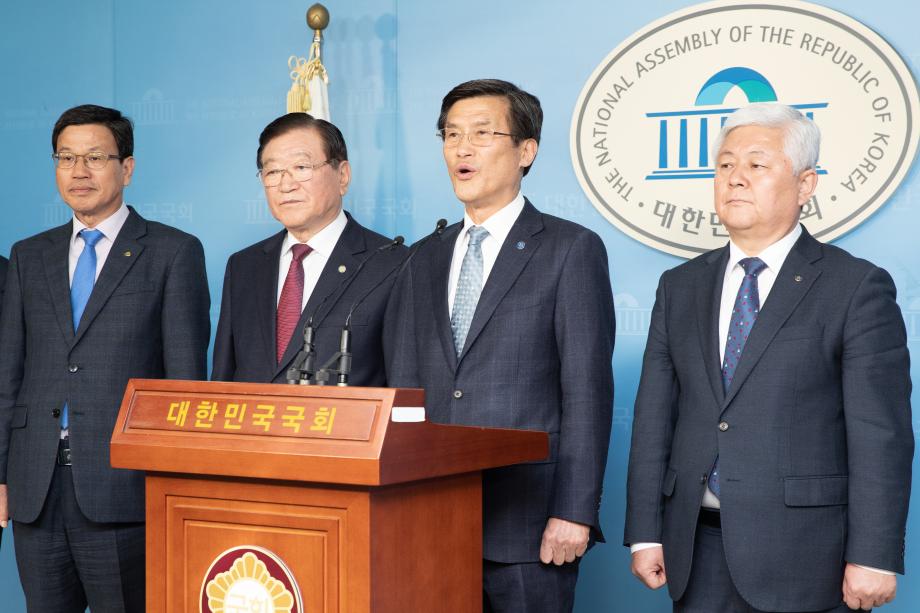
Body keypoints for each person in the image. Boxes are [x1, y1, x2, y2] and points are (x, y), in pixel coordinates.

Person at [625, 102, 913, 612]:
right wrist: (645, 531)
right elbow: (654, 417)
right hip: (695, 549)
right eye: (725, 165)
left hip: (808, 555)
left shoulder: (855, 287)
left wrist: (874, 555)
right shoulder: (680, 286)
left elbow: (880, 435)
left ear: (805, 185)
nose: (735, 178)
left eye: (757, 164)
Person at [385, 79, 615, 613]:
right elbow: (403, 389)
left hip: (529, 526)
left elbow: (586, 392)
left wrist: (574, 511)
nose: (462, 149)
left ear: (526, 150)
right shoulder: (421, 257)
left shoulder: (570, 249)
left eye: (482, 134)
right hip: (429, 518)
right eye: (451, 135)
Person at [0, 104, 211, 612]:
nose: (79, 171)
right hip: (35, 489)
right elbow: (9, 374)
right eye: (66, 157)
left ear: (127, 168)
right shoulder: (29, 255)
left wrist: (177, 486)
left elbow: (183, 384)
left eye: (95, 157)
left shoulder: (172, 252)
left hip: (125, 490)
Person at [212, 112, 405, 386]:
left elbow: (404, 383)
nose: (286, 185)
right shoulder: (244, 265)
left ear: (342, 175)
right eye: (273, 172)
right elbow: (223, 381)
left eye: (301, 167)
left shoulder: (391, 263)